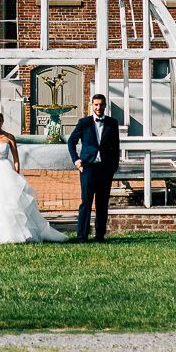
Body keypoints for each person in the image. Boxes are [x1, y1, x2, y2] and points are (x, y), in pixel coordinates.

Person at [0, 110, 65, 244]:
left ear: (2, 122)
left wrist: (16, 175)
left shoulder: (9, 137)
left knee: (9, 203)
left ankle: (15, 233)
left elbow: (16, 159)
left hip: (6, 171)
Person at [67, 93, 122, 242]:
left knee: (102, 203)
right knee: (86, 202)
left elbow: (116, 146)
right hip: (88, 168)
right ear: (92, 105)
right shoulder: (84, 122)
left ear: (105, 106)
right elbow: (71, 141)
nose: (98, 107)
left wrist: (113, 166)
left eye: (101, 104)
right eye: (96, 104)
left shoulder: (112, 123)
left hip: (105, 168)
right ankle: (82, 236)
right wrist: (76, 160)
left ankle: (99, 236)